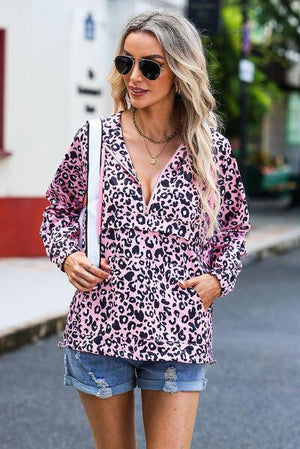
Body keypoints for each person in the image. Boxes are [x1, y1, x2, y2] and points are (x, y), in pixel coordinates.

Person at [40, 9, 251, 449]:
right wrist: (68, 256)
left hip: (179, 329)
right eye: (125, 63)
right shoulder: (95, 139)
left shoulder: (207, 149)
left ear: (179, 70)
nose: (134, 76)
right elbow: (57, 208)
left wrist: (219, 278)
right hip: (100, 327)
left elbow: (235, 226)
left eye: (149, 66)